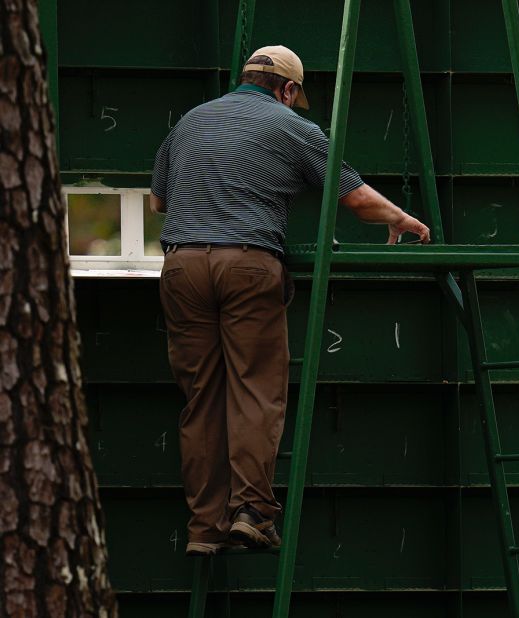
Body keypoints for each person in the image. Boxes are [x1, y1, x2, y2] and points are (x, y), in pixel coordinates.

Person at [150, 45, 430, 557]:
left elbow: (159, 201)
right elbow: (355, 197)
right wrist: (401, 218)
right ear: (289, 89)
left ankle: (204, 529)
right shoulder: (291, 126)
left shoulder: (190, 122)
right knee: (255, 391)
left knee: (201, 399)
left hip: (182, 265)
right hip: (249, 263)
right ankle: (253, 512)